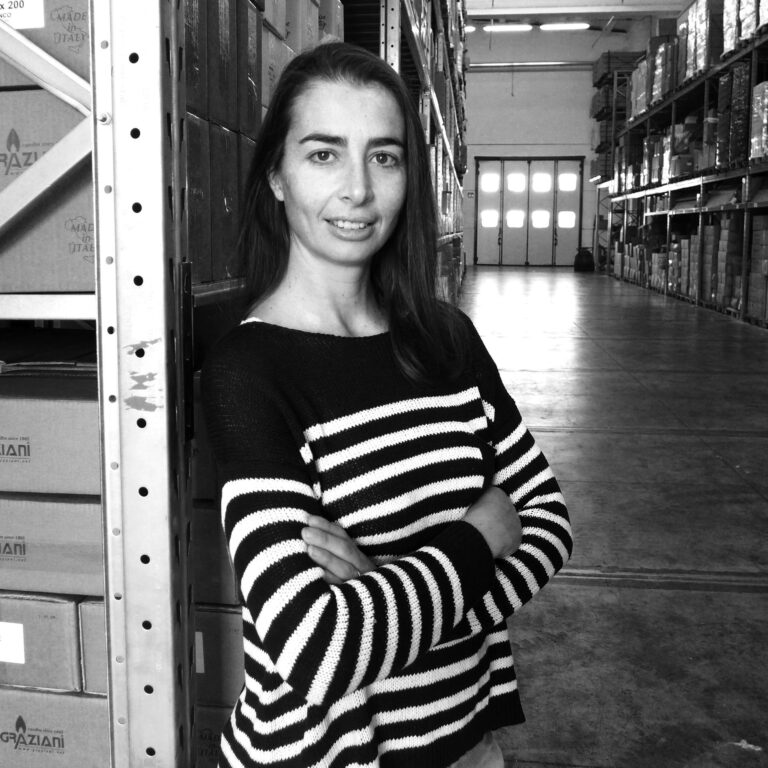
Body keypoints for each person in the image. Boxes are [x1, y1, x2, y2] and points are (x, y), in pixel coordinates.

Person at [201, 41, 573, 768]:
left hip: (468, 745)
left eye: (384, 157)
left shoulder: (447, 340)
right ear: (275, 174)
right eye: (323, 154)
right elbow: (316, 649)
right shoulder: (249, 371)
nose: (358, 190)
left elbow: (549, 527)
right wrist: (479, 538)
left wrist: (380, 592)